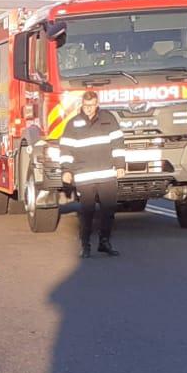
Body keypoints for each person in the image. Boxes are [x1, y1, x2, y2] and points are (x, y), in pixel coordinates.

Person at [55, 89, 124, 257]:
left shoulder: (108, 119)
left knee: (108, 210)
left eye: (92, 106)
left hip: (107, 174)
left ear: (97, 104)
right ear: (82, 105)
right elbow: (66, 149)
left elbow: (118, 143)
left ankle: (104, 242)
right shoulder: (73, 124)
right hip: (85, 175)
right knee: (87, 212)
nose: (89, 109)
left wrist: (120, 165)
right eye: (86, 106)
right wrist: (66, 170)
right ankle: (85, 246)